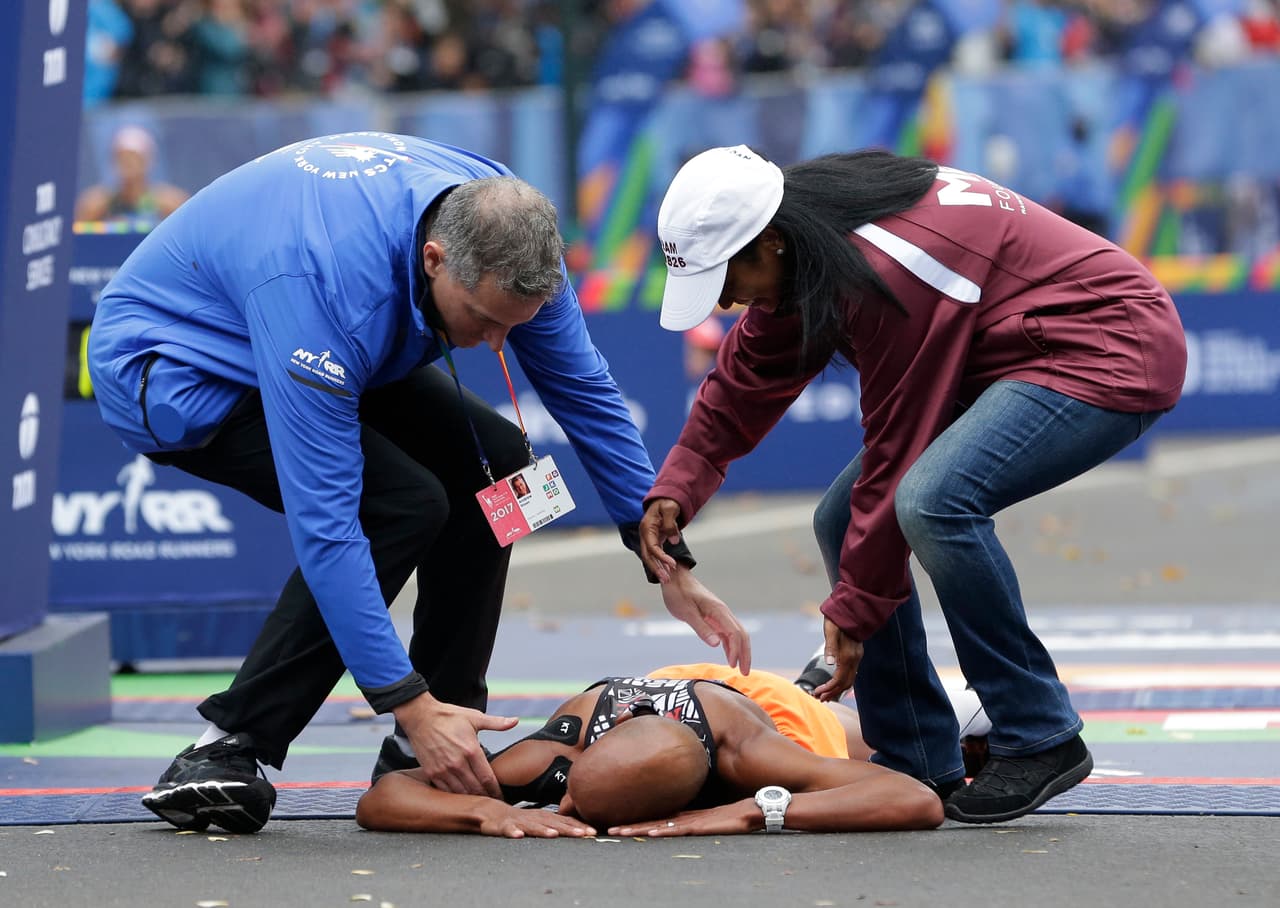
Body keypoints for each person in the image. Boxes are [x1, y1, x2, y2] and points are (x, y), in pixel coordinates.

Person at [86, 132, 751, 835]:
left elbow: (583, 388)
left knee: (500, 462)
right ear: (435, 259)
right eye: (485, 321)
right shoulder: (325, 291)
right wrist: (404, 696)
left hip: (329, 326)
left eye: (513, 325)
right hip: (180, 365)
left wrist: (661, 553)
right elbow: (331, 526)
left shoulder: (512, 234)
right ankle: (226, 748)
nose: (498, 343)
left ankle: (436, 746)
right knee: (399, 504)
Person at [638, 145, 1187, 824]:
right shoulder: (814, 240)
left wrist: (854, 611)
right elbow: (748, 376)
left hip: (1106, 348)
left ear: (770, 242)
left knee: (933, 501)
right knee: (844, 519)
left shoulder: (890, 266)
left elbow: (897, 450)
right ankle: (916, 757)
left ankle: (1040, 732)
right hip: (1010, 356)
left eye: (727, 276)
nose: (725, 298)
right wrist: (678, 486)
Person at [355, 663, 945, 836]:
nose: (561, 811)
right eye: (574, 805)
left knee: (854, 736)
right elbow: (385, 795)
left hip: (753, 707)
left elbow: (914, 798)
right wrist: (487, 810)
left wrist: (753, 810)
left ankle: (816, 681)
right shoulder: (554, 757)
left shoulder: (749, 758)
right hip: (639, 697)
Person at [74, 125, 190, 225]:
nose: (128, 164)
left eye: (134, 158)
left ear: (148, 161)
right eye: (121, 158)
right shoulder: (95, 204)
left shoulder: (171, 203)